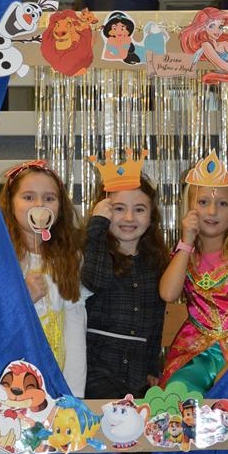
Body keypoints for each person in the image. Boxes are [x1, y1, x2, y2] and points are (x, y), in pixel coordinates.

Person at [159, 149, 228, 393]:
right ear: (189, 208)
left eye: (222, 204)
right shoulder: (185, 255)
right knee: (179, 389)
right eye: (203, 202)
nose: (211, 211)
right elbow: (167, 293)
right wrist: (186, 242)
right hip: (197, 350)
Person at [82, 150, 169, 400]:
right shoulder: (94, 252)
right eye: (118, 208)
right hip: (96, 368)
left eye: (139, 209)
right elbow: (93, 281)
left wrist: (152, 366)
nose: (129, 218)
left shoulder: (155, 262)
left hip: (137, 372)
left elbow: (156, 320)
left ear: (151, 217)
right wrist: (97, 226)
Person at [0, 159, 88, 398]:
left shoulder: (70, 258)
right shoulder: (0, 258)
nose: (39, 204)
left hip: (55, 379)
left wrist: (74, 391)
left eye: (49, 198)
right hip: (10, 381)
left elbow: (74, 322)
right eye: (28, 197)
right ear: (10, 203)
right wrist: (23, 298)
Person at [179, 6, 228, 83]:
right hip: (225, 76)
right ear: (203, 27)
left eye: (220, 26)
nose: (217, 31)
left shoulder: (225, 43)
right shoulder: (206, 45)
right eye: (212, 26)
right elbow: (220, 64)